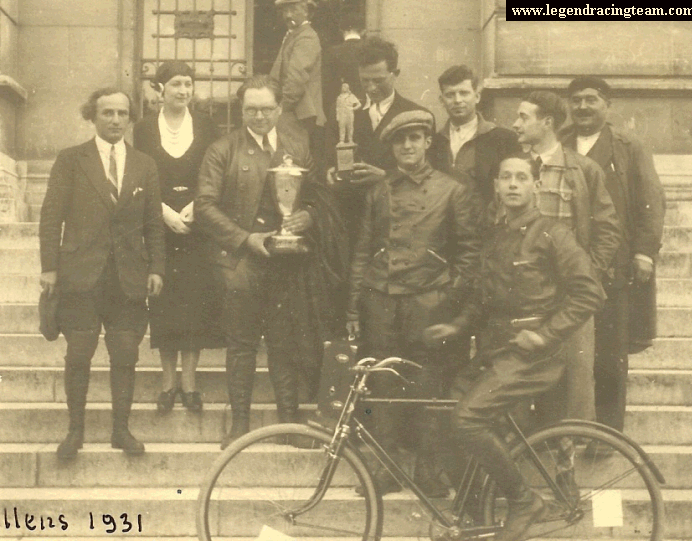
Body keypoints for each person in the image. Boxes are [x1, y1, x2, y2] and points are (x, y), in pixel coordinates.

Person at [425, 154, 606, 541]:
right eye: (505, 177)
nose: (512, 184)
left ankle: (524, 502)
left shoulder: (553, 234)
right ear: (496, 186)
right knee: (446, 419)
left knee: (467, 420)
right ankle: (473, 516)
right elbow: (481, 301)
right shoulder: (497, 236)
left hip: (532, 357)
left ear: (536, 186)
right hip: (496, 353)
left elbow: (589, 293)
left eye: (521, 177)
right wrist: (456, 327)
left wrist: (545, 334)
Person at [195, 75, 348, 450]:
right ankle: (241, 425)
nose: (259, 116)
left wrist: (308, 217)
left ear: (279, 109)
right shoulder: (222, 150)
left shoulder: (298, 146)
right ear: (241, 110)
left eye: (266, 108)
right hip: (241, 262)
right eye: (251, 109)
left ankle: (287, 421)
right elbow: (203, 205)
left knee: (285, 343)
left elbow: (318, 196)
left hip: (287, 263)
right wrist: (245, 239)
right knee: (242, 344)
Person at [347, 110, 483, 497]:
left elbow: (470, 254)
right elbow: (363, 250)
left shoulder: (452, 189)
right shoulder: (379, 190)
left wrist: (448, 297)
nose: (407, 146)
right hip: (382, 302)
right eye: (399, 140)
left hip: (429, 304)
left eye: (415, 138)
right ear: (391, 147)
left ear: (427, 142)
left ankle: (428, 470)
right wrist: (353, 307)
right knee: (382, 387)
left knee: (430, 389)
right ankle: (386, 469)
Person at [39, 88, 165, 459]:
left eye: (122, 114)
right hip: (80, 274)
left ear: (130, 118)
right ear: (92, 117)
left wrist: (156, 267)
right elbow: (51, 217)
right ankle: (75, 432)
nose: (114, 120)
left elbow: (154, 222)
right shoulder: (71, 160)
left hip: (128, 276)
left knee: (125, 353)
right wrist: (49, 267)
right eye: (107, 113)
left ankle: (120, 431)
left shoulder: (145, 163)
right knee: (79, 353)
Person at [560, 76, 665, 432]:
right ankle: (567, 431)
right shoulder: (559, 143)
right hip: (566, 265)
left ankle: (606, 432)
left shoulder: (628, 146)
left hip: (613, 267)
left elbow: (651, 201)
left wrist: (645, 252)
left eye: (591, 99)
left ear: (608, 104)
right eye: (576, 101)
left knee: (609, 355)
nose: (583, 107)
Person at [511, 91, 621, 425]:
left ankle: (569, 467)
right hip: (524, 295)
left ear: (547, 123)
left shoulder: (582, 170)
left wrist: (588, 274)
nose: (515, 124)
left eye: (523, 117)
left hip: (570, 298)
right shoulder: (514, 170)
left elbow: (608, 229)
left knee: (576, 384)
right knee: (515, 383)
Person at [133, 61, 225, 414]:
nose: (183, 91)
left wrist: (196, 207)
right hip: (159, 226)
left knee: (195, 302)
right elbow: (140, 174)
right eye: (175, 84)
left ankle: (190, 382)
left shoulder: (206, 126)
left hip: (196, 225)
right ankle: (167, 382)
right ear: (160, 89)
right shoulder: (142, 129)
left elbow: (213, 173)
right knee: (165, 303)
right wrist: (162, 212)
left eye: (188, 84)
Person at [328, 36, 431, 249]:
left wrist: (386, 177)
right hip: (350, 222)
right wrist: (329, 172)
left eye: (379, 80)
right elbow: (326, 156)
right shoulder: (343, 111)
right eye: (364, 80)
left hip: (396, 222)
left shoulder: (416, 115)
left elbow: (431, 178)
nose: (371, 87)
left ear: (396, 75)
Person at [431, 64, 520, 205]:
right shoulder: (434, 142)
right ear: (442, 101)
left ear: (477, 97)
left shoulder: (504, 139)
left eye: (464, 93)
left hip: (485, 223)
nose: (457, 100)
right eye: (450, 95)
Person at [270, 0, 326, 170]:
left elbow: (296, 80)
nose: (288, 15)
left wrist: (279, 108)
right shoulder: (293, 35)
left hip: (298, 113)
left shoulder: (306, 37)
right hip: (291, 111)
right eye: (285, 11)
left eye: (293, 9)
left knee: (292, 163)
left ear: (307, 11)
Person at [322, 9, 365, 124]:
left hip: (339, 111)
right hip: (366, 109)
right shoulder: (370, 50)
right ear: (364, 31)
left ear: (342, 31)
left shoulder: (331, 52)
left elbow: (327, 88)